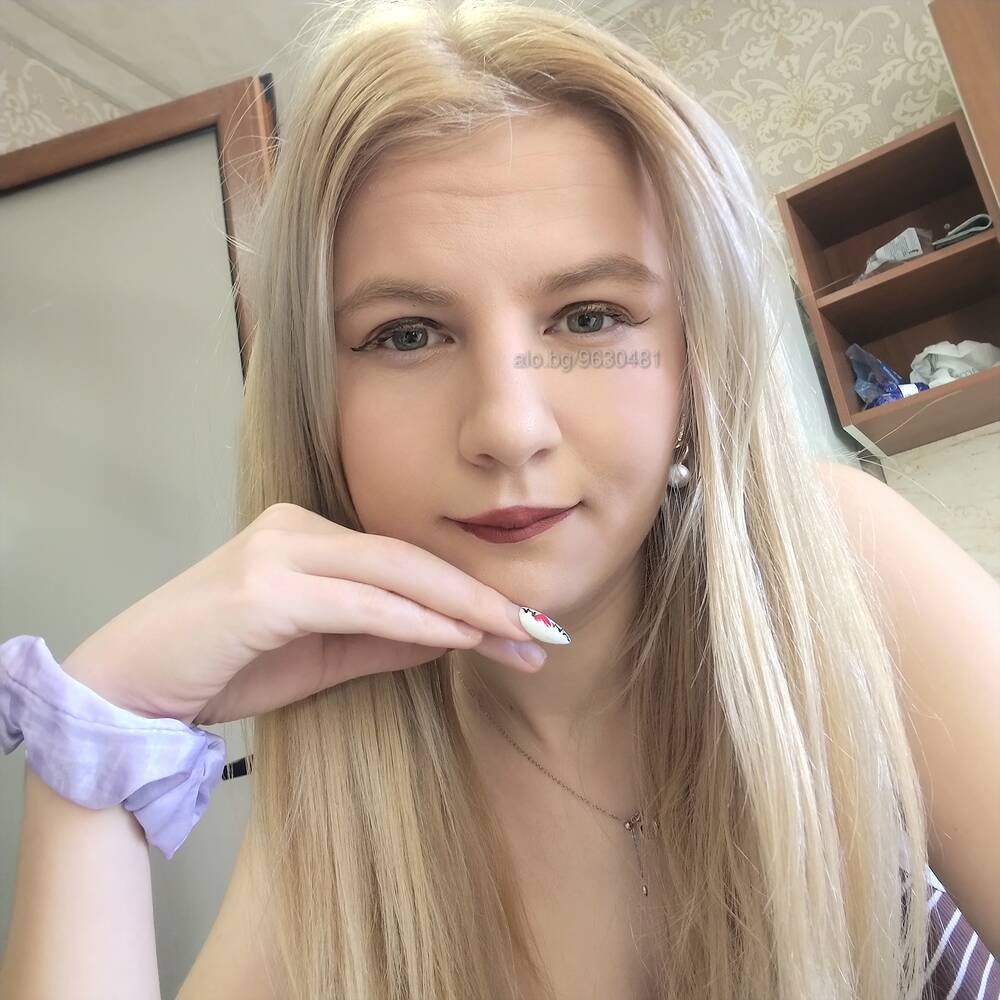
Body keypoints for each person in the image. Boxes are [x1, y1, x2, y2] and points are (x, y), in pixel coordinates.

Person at [1, 0, 998, 998]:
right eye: (407, 334)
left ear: (695, 361)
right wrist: (100, 726)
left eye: (589, 316)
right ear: (320, 400)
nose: (509, 428)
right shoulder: (353, 791)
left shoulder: (841, 571)